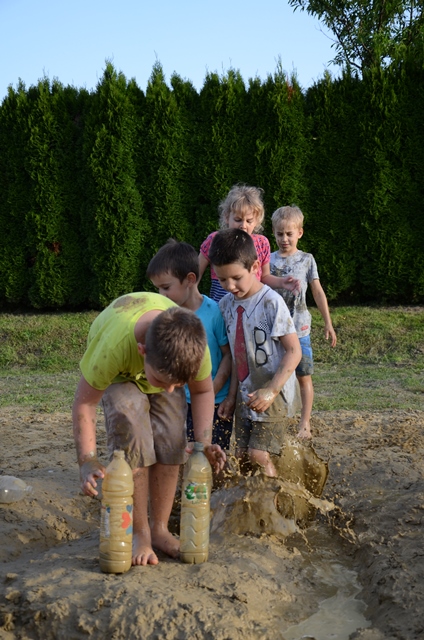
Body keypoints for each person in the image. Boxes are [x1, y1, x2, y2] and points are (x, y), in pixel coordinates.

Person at [72, 292, 226, 567]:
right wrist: (87, 460)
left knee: (172, 438)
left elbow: (202, 392)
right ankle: (139, 533)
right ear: (143, 350)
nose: (167, 390)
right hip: (122, 376)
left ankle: (160, 530)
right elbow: (85, 405)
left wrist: (203, 444)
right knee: (133, 433)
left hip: (159, 362)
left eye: (177, 384)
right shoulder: (114, 347)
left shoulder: (192, 347)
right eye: (161, 381)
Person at [208, 228, 302, 478]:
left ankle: (273, 506)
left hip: (274, 394)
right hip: (244, 396)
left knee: (258, 455)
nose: (229, 286)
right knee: (240, 457)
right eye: (222, 279)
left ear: (254, 266)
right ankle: (248, 509)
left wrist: (271, 391)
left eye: (236, 278)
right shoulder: (225, 305)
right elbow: (238, 357)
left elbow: (294, 351)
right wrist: (230, 398)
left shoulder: (271, 302)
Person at [147, 239, 233, 450]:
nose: (161, 295)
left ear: (190, 279)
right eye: (158, 289)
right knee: (180, 454)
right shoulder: (166, 315)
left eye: (166, 287)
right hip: (177, 401)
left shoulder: (214, 312)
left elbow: (228, 355)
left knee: (212, 456)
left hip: (214, 402)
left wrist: (212, 390)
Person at [270, 206, 337, 439]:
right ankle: (276, 419)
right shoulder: (267, 261)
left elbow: (317, 292)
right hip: (275, 332)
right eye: (279, 234)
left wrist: (328, 322)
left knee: (303, 376)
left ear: (300, 232)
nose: (284, 239)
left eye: (289, 233)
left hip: (300, 330)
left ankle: (304, 423)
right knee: (274, 376)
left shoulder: (307, 260)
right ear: (274, 233)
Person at [199, 184, 301, 302]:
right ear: (227, 217)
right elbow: (196, 272)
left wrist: (281, 282)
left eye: (249, 221)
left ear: (257, 221)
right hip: (220, 307)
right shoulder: (215, 239)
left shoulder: (261, 243)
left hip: (251, 308)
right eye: (238, 220)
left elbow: (264, 277)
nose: (243, 225)